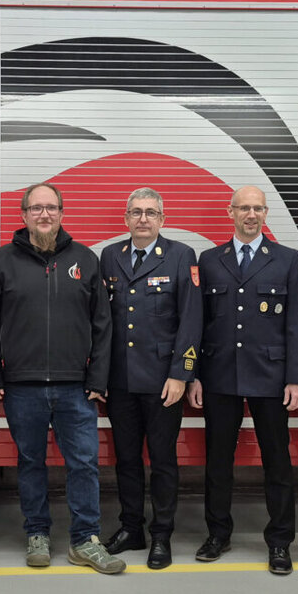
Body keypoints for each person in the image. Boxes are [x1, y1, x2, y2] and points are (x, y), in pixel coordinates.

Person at [0, 183, 123, 575]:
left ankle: (84, 540)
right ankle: (37, 533)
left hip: (76, 387)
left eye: (51, 208)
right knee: (30, 462)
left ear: (62, 213)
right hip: (21, 386)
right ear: (23, 215)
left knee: (84, 464)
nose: (44, 215)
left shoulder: (85, 260)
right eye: (36, 208)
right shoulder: (2, 261)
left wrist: (97, 377)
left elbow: (103, 325)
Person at [191, 185, 298, 575]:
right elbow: (198, 324)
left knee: (277, 462)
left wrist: (296, 378)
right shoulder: (209, 260)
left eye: (258, 208)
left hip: (272, 378)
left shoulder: (288, 259)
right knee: (218, 463)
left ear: (266, 213)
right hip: (219, 376)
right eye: (244, 207)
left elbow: (297, 326)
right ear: (231, 212)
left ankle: (279, 542)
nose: (251, 214)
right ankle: (218, 534)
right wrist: (193, 376)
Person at [99, 187, 203, 570]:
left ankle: (161, 534)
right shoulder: (110, 256)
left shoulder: (180, 256)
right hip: (121, 380)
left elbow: (191, 321)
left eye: (151, 213)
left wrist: (182, 374)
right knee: (126, 460)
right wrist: (101, 374)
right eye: (136, 212)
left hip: (163, 382)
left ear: (163, 218)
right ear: (126, 218)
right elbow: (103, 322)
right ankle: (131, 528)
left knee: (162, 461)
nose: (143, 219)